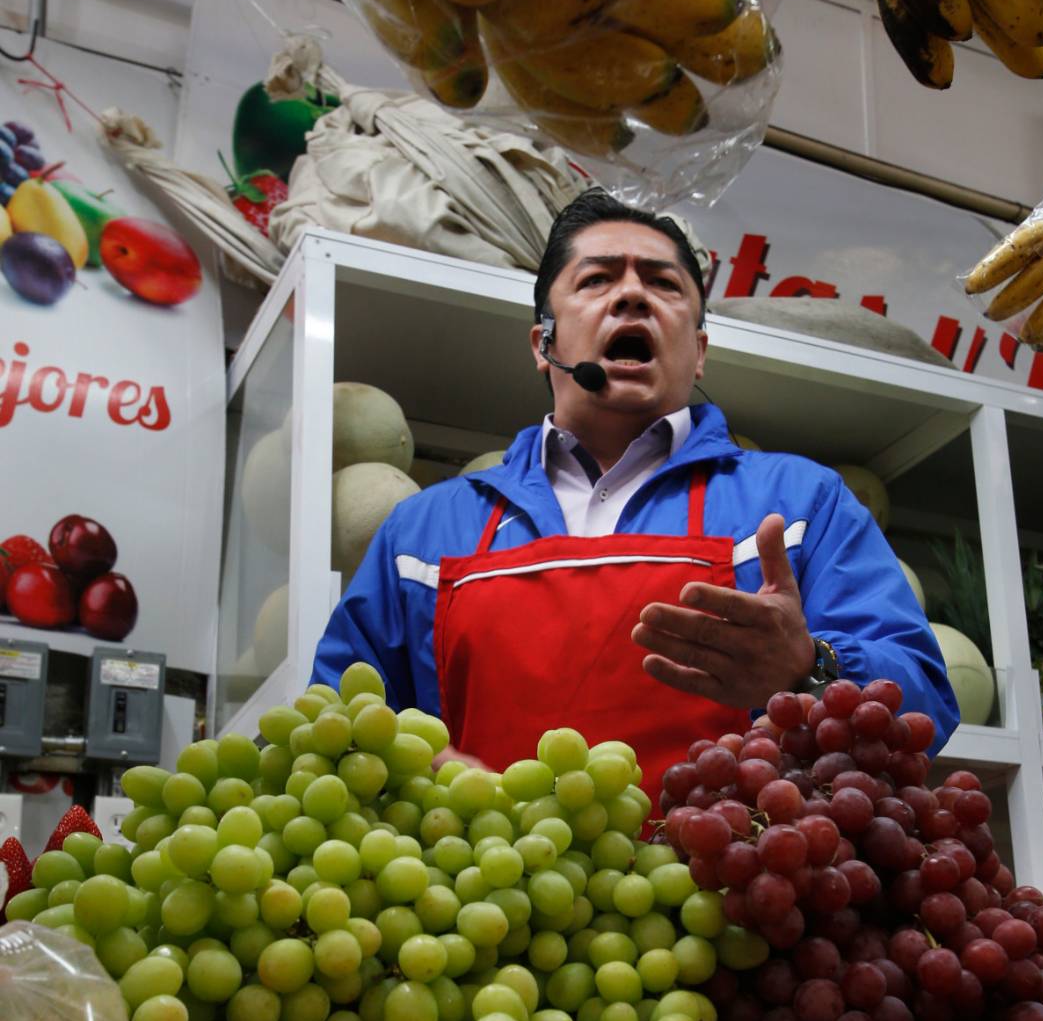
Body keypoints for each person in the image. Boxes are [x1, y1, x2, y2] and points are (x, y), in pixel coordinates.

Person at [312, 188, 959, 800]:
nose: (631, 295)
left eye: (663, 283)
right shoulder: (420, 533)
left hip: (728, 908)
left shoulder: (801, 504)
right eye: (596, 280)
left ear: (699, 351)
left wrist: (810, 669)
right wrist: (411, 769)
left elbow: (926, 705)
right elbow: (335, 729)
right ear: (545, 344)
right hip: (479, 904)